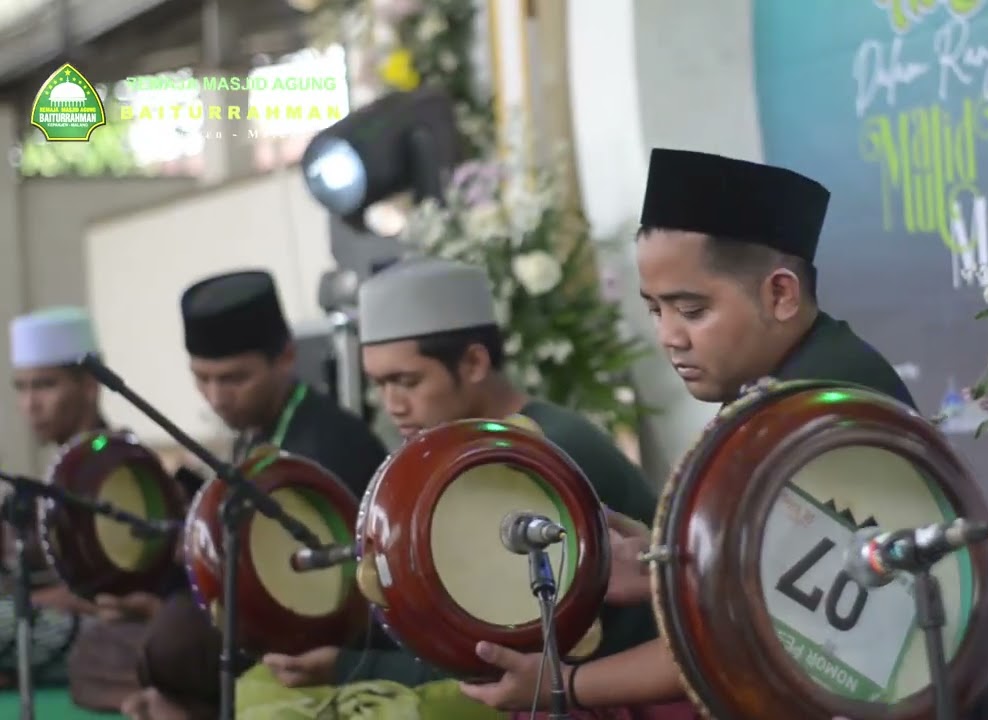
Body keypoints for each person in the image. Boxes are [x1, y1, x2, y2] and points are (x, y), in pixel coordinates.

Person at [457, 150, 988, 718]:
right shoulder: (788, 383)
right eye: (656, 309)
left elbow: (741, 634)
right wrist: (667, 555)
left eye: (692, 309)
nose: (669, 336)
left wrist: (562, 682)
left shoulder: (812, 413)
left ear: (780, 294)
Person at [255, 258, 663, 706]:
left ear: (472, 362)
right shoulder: (475, 451)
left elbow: (494, 653)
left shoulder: (543, 452)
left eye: (407, 381)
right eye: (379, 385)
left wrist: (345, 666)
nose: (392, 404)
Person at [122, 270, 389, 720]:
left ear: (285, 356)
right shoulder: (256, 429)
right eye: (201, 379)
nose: (216, 397)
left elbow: (328, 597)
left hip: (324, 633)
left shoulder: (328, 443)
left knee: (171, 642)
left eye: (233, 378)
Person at [4, 306, 152, 711]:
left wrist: (35, 602)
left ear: (89, 386)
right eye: (21, 388)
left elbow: (126, 590)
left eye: (45, 385)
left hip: (110, 631)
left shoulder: (122, 468)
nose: (31, 404)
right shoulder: (52, 476)